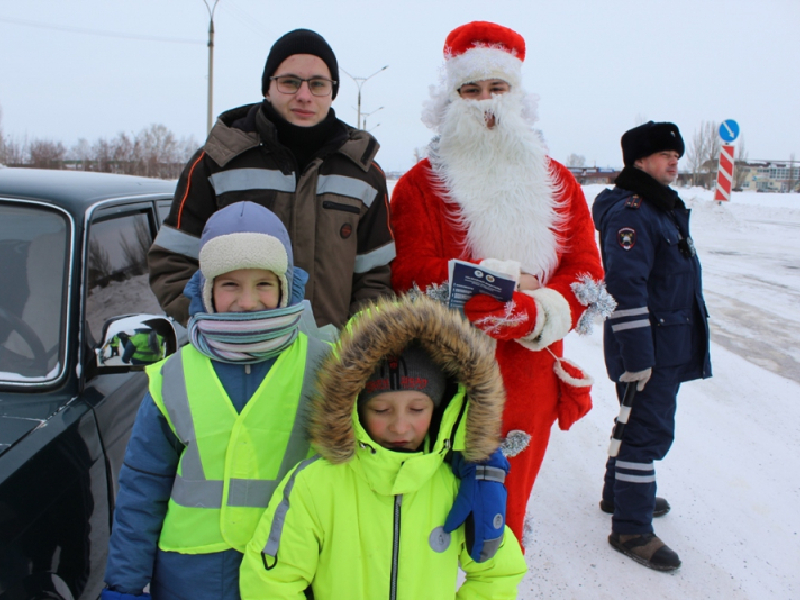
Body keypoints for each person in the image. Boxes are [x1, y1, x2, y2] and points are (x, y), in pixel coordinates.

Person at [390, 20, 606, 544]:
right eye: (470, 90)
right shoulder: (420, 185)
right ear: (450, 100)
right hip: (441, 373)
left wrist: (538, 311)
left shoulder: (559, 181)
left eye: (497, 89)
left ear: (517, 99)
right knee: (430, 516)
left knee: (503, 521)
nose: (484, 103)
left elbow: (586, 274)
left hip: (528, 377)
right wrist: (499, 283)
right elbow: (405, 274)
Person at [103, 202, 331, 600]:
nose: (247, 302)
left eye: (263, 283)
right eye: (230, 285)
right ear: (206, 290)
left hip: (290, 575)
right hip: (189, 579)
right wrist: (124, 585)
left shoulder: (325, 367)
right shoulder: (172, 377)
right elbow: (142, 489)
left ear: (286, 287)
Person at [239, 295, 526, 599]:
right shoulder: (315, 484)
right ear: (353, 407)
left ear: (441, 409)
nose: (400, 426)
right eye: (381, 410)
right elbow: (271, 582)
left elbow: (498, 574)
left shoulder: (457, 486)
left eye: (417, 409)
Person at [148, 28, 394, 329]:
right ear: (267, 87)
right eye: (290, 82)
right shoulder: (217, 161)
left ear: (332, 92)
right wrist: (214, 329)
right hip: (233, 361)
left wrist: (354, 348)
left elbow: (376, 277)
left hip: (331, 368)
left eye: (317, 84)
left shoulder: (364, 173)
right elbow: (173, 262)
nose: (304, 95)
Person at [594, 121, 711, 571]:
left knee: (633, 418)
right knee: (647, 432)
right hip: (651, 345)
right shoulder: (633, 211)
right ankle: (631, 527)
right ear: (640, 161)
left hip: (668, 340)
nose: (674, 163)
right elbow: (626, 287)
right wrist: (638, 355)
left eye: (677, 157)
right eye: (666, 156)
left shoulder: (661, 207)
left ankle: (616, 493)